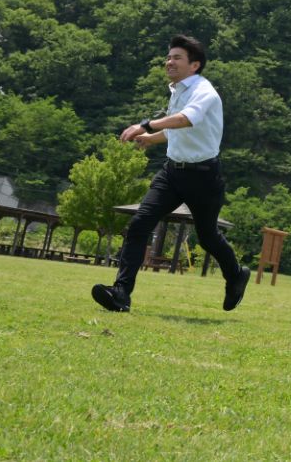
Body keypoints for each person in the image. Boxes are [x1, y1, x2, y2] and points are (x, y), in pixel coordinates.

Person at [92, 35, 249, 314]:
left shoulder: (204, 91)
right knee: (140, 224)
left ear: (195, 65)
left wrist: (145, 124)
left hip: (203, 176)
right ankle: (120, 293)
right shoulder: (178, 90)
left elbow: (187, 119)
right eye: (169, 57)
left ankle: (236, 274)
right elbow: (178, 127)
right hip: (172, 172)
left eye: (177, 58)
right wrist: (152, 138)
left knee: (208, 236)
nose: (169, 62)